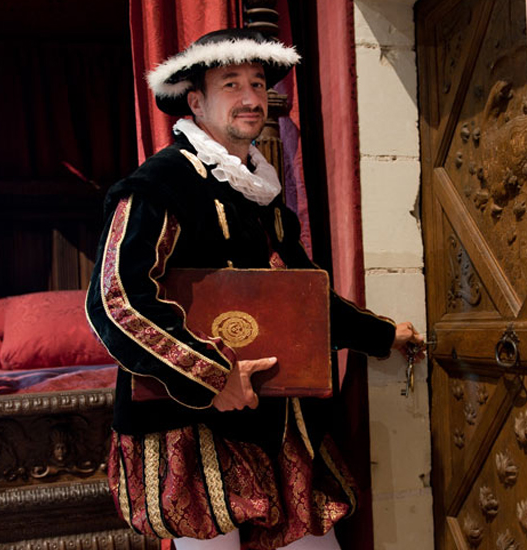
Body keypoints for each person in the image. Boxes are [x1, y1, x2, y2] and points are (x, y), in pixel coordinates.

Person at [85, 29, 423, 550]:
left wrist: (384, 334)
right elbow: (117, 300)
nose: (250, 98)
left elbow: (304, 303)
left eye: (258, 84)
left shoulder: (264, 199)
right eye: (231, 84)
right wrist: (212, 376)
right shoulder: (160, 182)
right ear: (195, 101)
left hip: (277, 421)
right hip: (191, 426)